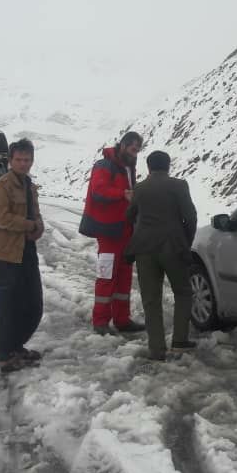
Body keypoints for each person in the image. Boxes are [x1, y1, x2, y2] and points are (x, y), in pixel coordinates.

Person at [124, 150, 198, 361]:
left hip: (144, 249)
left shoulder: (140, 188)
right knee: (183, 292)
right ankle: (179, 341)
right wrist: (186, 241)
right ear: (168, 166)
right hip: (173, 247)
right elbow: (190, 218)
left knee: (151, 299)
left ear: (149, 167)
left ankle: (156, 349)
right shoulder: (179, 185)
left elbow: (129, 215)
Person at [79, 131, 147, 334]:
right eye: (133, 149)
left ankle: (122, 319)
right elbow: (98, 191)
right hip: (108, 231)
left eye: (137, 150)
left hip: (125, 230)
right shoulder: (104, 165)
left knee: (124, 276)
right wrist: (123, 194)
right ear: (123, 145)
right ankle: (100, 321)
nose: (135, 154)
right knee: (107, 275)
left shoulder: (128, 167)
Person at [0, 139, 45, 373]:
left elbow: (36, 213)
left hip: (26, 250)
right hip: (6, 254)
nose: (23, 164)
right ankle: (5, 354)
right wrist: (30, 225)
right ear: (10, 161)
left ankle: (17, 345)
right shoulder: (1, 187)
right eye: (19, 159)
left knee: (32, 304)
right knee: (7, 306)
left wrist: (38, 226)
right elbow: (1, 218)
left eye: (27, 160)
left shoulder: (29, 185)